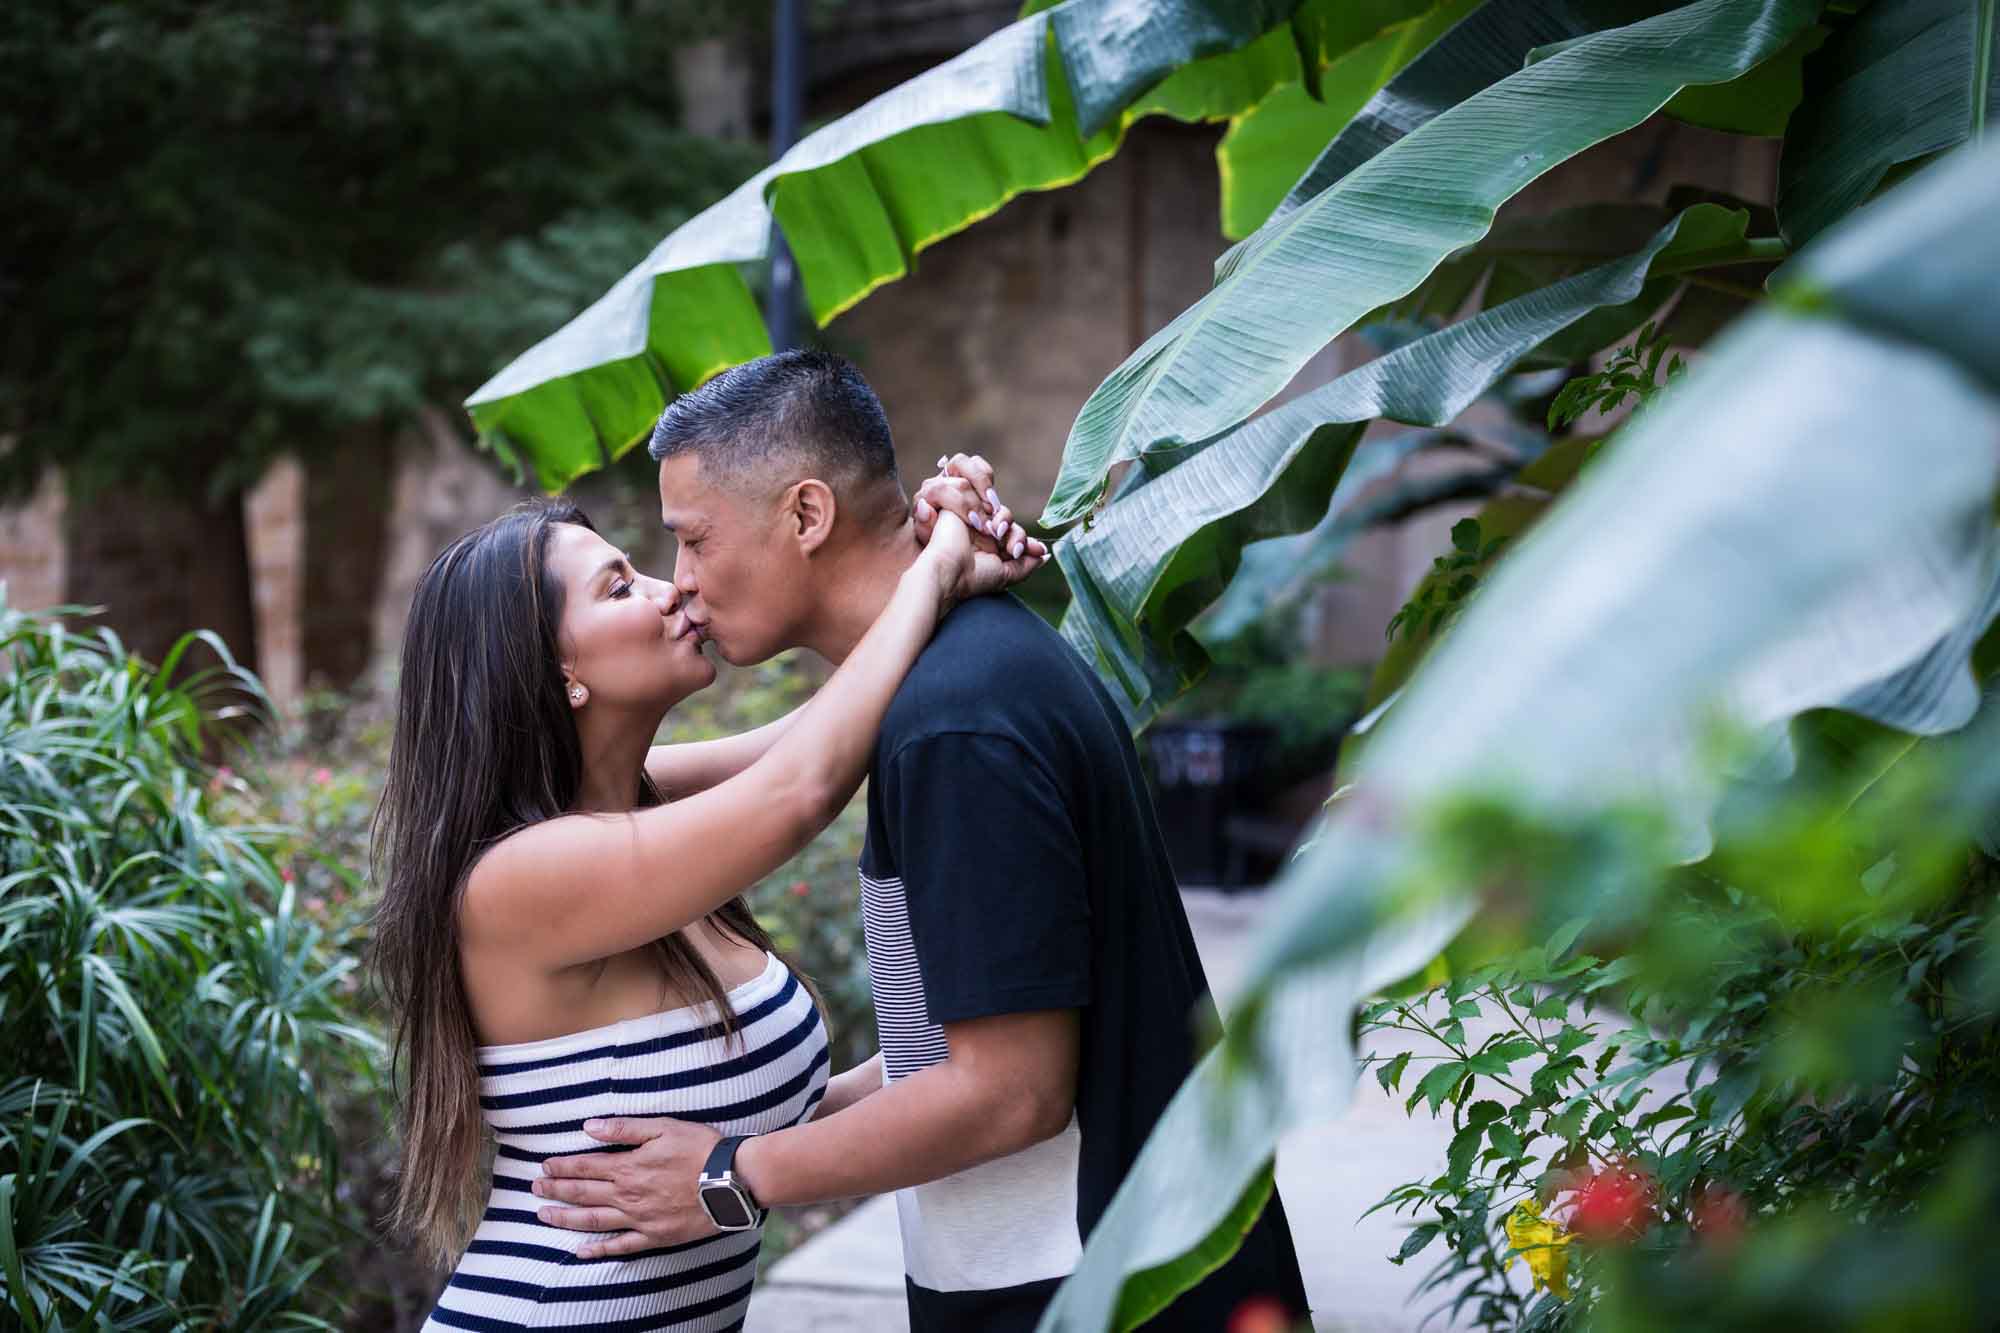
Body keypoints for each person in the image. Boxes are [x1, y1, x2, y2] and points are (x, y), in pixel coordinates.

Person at [531, 350, 1310, 1331]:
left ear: (805, 516)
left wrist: (732, 1173)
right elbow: (947, 1037)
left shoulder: (955, 723)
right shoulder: (959, 679)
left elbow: (1006, 1093)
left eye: (691, 539)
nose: (680, 582)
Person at [370, 483, 1044, 1331]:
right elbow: (804, 784)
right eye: (620, 587)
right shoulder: (522, 877)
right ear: (556, 670)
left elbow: (833, 732)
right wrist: (937, 562)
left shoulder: (640, 806)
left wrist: (937, 565)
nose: (671, 589)